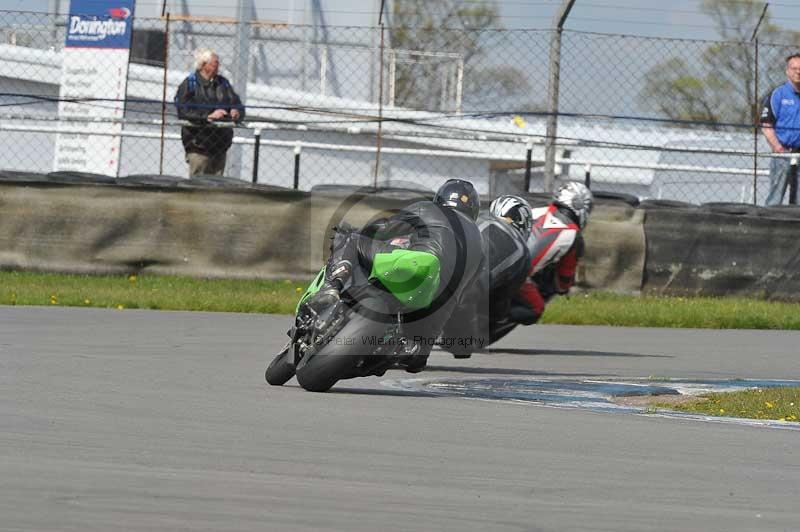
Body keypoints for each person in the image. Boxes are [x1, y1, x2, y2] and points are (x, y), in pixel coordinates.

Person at [325, 179, 485, 373]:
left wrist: (364, 231)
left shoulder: (428, 208)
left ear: (440, 198)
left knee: (351, 239)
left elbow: (387, 229)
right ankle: (375, 357)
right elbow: (464, 297)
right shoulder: (481, 245)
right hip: (438, 307)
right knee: (415, 360)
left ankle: (333, 286)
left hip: (415, 268)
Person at [522, 181, 593, 324]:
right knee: (535, 308)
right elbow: (564, 276)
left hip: (492, 259)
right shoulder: (574, 235)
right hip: (518, 277)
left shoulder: (535, 211)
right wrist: (562, 288)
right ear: (580, 206)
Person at [174, 48, 245, 177]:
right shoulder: (190, 83)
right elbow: (183, 111)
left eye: (218, 63)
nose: (217, 66)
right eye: (214, 63)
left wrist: (237, 112)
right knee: (197, 186)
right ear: (203, 65)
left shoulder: (223, 83)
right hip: (198, 145)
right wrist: (208, 116)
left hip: (220, 146)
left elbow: (237, 103)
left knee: (217, 188)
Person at [760, 53, 800, 206]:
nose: (798, 72)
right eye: (794, 68)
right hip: (782, 155)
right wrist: (777, 147)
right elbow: (766, 124)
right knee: (775, 199)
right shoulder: (777, 94)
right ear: (787, 71)